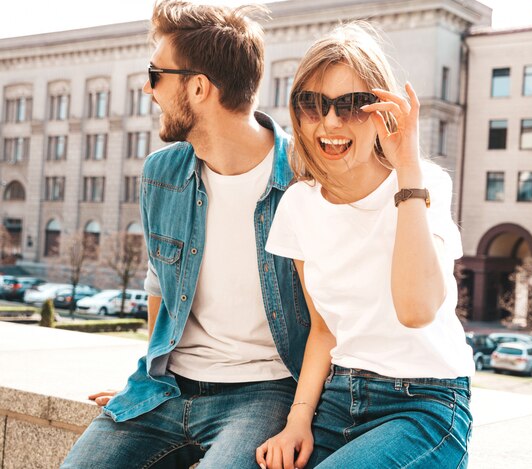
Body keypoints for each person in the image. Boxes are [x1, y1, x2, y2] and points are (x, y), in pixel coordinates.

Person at [62, 1, 309, 468]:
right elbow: (160, 283)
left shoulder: (303, 178)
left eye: (156, 74)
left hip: (265, 393)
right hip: (167, 386)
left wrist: (303, 414)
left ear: (197, 87)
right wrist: (146, 381)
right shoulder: (162, 172)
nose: (146, 87)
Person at [255, 22, 474, 469]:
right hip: (339, 397)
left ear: (383, 112)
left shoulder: (424, 183)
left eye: (353, 105)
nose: (330, 122)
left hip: (426, 403)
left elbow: (416, 310)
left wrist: (408, 169)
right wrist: (298, 420)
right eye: (312, 104)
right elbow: (324, 329)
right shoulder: (297, 204)